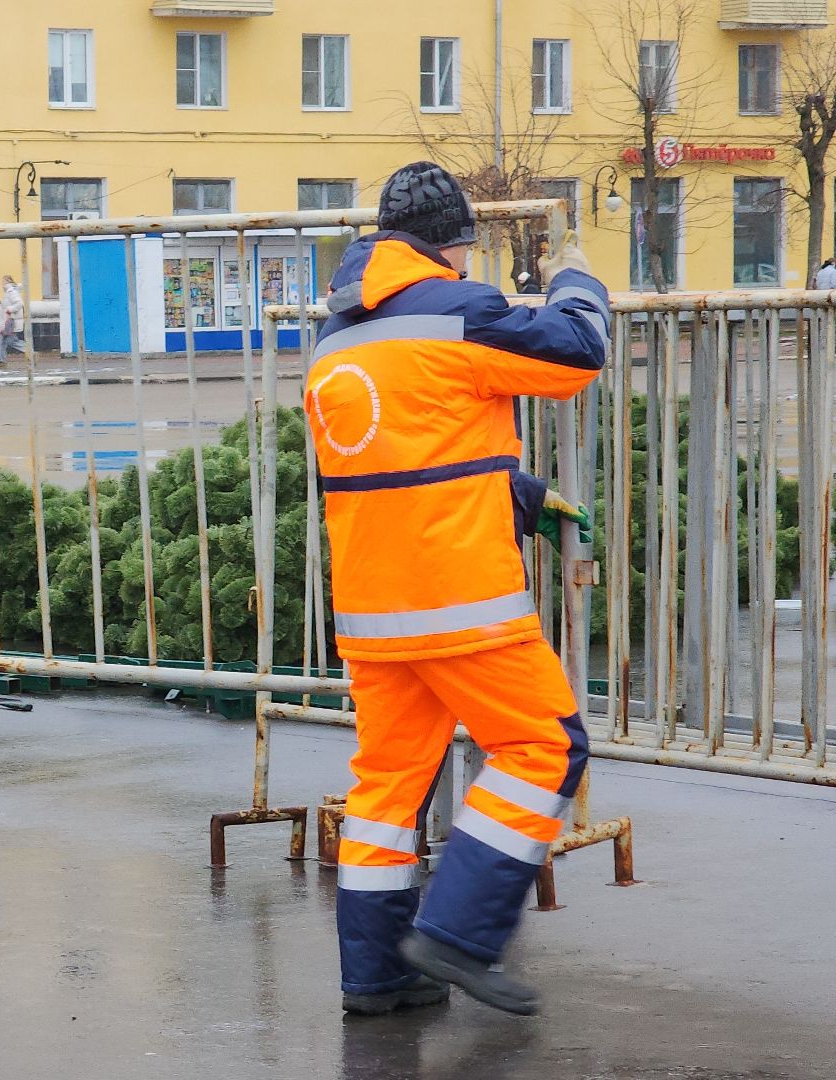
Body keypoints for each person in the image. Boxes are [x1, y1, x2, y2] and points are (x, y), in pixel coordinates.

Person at [305, 162, 610, 1017]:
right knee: (544, 746)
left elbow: (399, 456)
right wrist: (576, 277)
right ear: (454, 249)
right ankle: (459, 934)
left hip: (373, 609)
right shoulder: (459, 311)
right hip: (462, 600)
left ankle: (376, 976)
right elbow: (578, 353)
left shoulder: (335, 339)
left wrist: (509, 489)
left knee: (386, 789)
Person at [0, 275, 26, 366]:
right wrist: (1, 304)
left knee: (4, 340)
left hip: (9, 321)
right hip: (9, 320)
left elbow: (19, 303)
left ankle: (1, 360)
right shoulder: (10, 292)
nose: (2, 284)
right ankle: (1, 360)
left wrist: (8, 309)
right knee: (8, 340)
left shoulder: (11, 292)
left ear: (8, 281)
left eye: (3, 281)